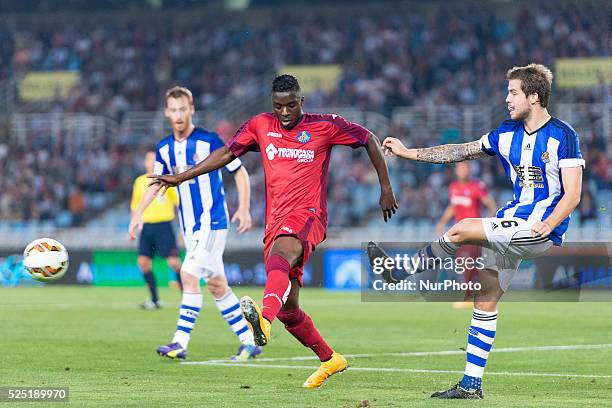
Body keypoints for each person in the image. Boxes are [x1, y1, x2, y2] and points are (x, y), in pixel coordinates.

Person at [150, 75, 398, 388]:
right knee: (290, 309)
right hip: (275, 221)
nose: (284, 112)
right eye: (278, 106)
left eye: (291, 105)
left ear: (301, 102)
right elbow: (227, 153)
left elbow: (368, 138)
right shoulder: (260, 125)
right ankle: (330, 358)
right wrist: (182, 177)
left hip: (309, 216)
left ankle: (262, 323)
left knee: (279, 258)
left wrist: (385, 188)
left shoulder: (324, 126)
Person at [370, 63, 583, 399]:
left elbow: (573, 195)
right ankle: (471, 385)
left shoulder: (564, 136)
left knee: (461, 229)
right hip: (514, 221)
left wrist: (550, 223)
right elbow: (460, 151)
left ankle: (400, 271)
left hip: (540, 229)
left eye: (513, 92)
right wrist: (408, 153)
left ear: (535, 96)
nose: (507, 99)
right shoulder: (504, 132)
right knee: (484, 302)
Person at [128, 86, 261, 362]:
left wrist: (245, 208)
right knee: (217, 285)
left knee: (188, 275)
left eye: (183, 109)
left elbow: (240, 171)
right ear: (167, 113)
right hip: (189, 227)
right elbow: (156, 185)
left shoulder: (209, 141)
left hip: (212, 222)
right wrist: (138, 214)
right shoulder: (164, 148)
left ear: (192, 110)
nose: (178, 115)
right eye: (173, 110)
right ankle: (250, 341)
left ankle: (179, 342)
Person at [435, 162, 496, 308]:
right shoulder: (453, 187)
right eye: (460, 168)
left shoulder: (476, 186)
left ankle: (469, 297)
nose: (463, 171)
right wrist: (442, 222)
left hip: (473, 232)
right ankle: (476, 294)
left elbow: (490, 204)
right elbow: (453, 207)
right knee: (466, 264)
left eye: (465, 168)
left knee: (468, 262)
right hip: (459, 233)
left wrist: (488, 223)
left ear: (469, 170)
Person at [129, 150, 182, 309]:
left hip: (164, 225)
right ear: (145, 162)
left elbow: (178, 203)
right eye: (149, 159)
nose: (151, 162)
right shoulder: (139, 181)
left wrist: (182, 227)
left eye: (154, 159)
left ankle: (187, 298)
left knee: (173, 263)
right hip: (147, 227)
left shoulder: (166, 179)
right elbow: (135, 205)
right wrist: (133, 225)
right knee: (143, 262)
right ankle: (154, 300)